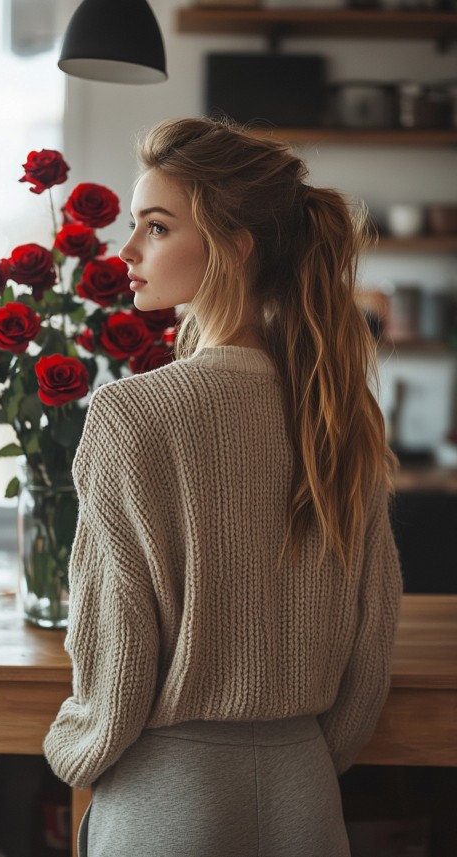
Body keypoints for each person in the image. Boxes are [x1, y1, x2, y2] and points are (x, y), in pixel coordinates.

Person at [44, 117, 402, 857]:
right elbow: (374, 634)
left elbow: (115, 651)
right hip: (307, 794)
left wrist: (70, 751)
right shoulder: (338, 411)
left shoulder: (128, 413)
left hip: (167, 797)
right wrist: (296, 750)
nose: (129, 251)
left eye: (157, 227)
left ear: (236, 246)